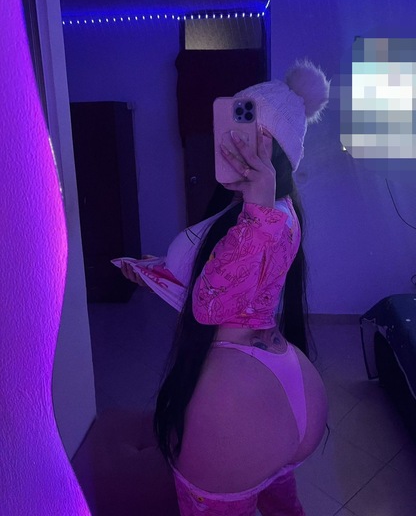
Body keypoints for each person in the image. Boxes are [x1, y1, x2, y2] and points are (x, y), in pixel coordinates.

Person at [117, 59, 330, 515]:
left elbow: (211, 307)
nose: (230, 143)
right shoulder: (272, 211)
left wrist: (258, 209)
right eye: (230, 128)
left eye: (247, 135)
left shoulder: (266, 216)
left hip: (236, 403)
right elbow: (228, 278)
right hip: (285, 386)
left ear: (276, 153)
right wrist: (159, 271)